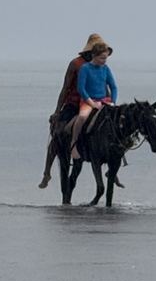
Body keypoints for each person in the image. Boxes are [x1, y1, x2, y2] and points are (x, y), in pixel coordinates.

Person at [39, 34, 109, 187]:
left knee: (113, 129)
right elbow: (65, 88)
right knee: (58, 134)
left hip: (95, 103)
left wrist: (110, 104)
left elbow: (105, 86)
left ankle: (113, 168)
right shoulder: (76, 64)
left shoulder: (101, 65)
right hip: (74, 104)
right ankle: (47, 172)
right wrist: (57, 111)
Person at [67, 42, 117, 162]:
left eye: (105, 58)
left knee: (116, 117)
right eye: (102, 58)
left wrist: (113, 102)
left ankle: (117, 144)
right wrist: (91, 103)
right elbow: (81, 88)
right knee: (82, 117)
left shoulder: (105, 69)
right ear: (94, 56)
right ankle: (74, 143)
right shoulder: (85, 68)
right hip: (88, 100)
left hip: (104, 100)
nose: (104, 61)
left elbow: (113, 87)